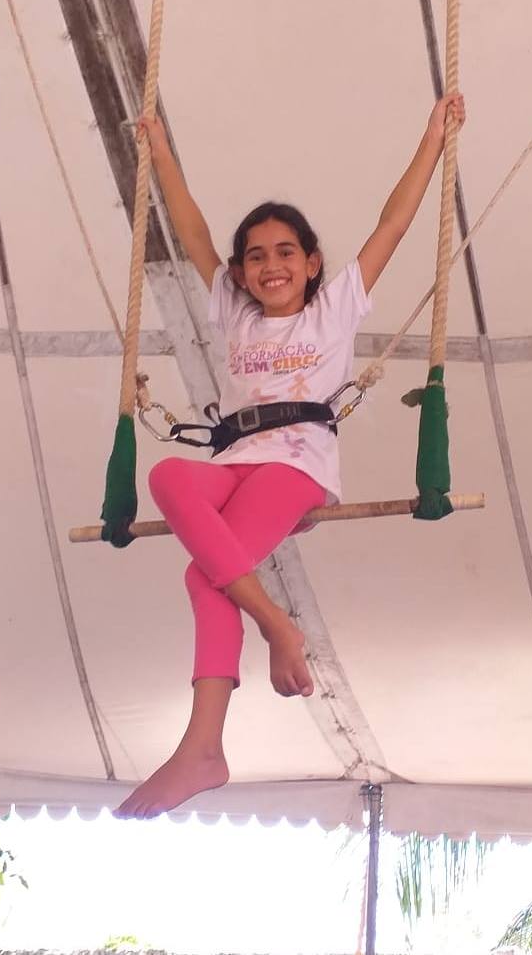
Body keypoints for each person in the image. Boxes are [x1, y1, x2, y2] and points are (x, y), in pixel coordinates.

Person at [115, 92, 466, 819]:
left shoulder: (333, 310)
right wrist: (162, 156)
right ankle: (272, 627)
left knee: (204, 575)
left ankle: (203, 744)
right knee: (169, 476)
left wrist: (433, 137)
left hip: (296, 465)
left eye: (285, 253)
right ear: (240, 274)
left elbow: (393, 223)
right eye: (255, 256)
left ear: (311, 263)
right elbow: (191, 229)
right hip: (234, 460)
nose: (269, 265)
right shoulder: (235, 310)